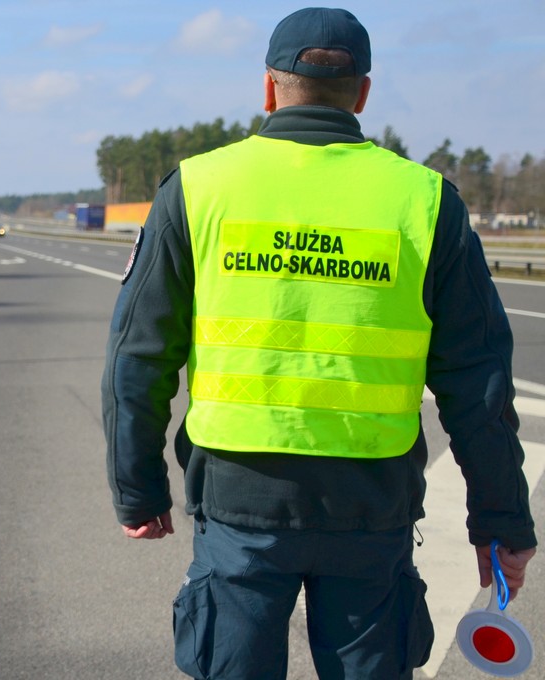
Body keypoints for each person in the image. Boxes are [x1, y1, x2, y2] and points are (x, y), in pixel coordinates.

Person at [101, 8, 536, 679]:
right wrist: (501, 517)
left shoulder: (198, 188)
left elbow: (138, 355)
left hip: (240, 498)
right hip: (371, 500)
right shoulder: (425, 201)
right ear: (363, 94)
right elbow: (477, 381)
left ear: (270, 88)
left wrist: (138, 486)